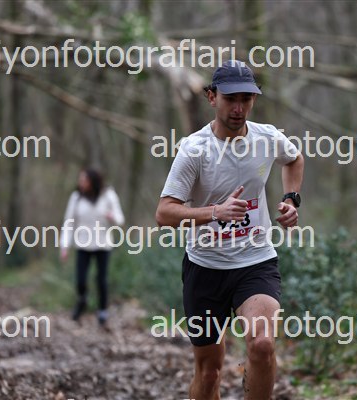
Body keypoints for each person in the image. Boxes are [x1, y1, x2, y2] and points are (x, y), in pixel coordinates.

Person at [156, 60, 304, 399]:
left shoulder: (267, 137)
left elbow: (294, 159)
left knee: (262, 345)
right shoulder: (194, 149)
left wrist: (291, 199)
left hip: (255, 261)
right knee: (210, 372)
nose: (238, 108)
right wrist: (215, 212)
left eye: (246, 99)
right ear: (212, 97)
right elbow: (164, 213)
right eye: (230, 99)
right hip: (205, 268)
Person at [60, 168, 125, 328]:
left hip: (103, 244)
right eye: (80, 180)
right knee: (81, 279)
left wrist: (112, 217)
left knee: (101, 279)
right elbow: (69, 222)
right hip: (83, 244)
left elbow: (120, 219)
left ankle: (102, 311)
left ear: (93, 181)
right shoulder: (76, 198)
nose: (81, 183)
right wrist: (64, 246)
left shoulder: (108, 195)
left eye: (84, 180)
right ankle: (82, 300)